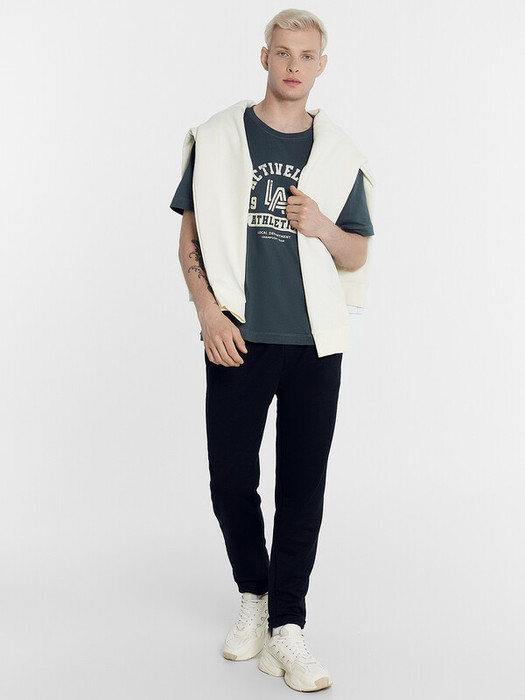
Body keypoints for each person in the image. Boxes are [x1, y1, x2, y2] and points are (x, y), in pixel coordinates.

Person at [170, 8, 375, 693]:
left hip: (314, 342)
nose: (293, 65)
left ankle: (287, 624)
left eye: (306, 55)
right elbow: (189, 236)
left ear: (321, 65)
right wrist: (207, 312)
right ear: (264, 58)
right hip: (238, 334)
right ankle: (253, 595)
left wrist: (321, 226)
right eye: (282, 52)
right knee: (230, 478)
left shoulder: (339, 152)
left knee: (301, 486)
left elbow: (357, 252)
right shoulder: (217, 137)